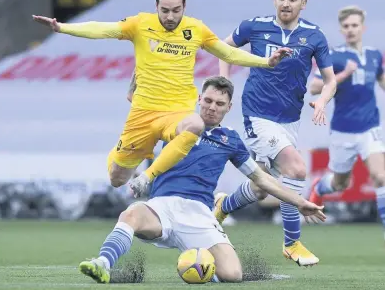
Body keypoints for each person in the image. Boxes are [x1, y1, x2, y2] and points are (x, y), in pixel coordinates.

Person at [33, 0, 291, 197]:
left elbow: (228, 53)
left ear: (184, 7)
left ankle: (149, 176)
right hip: (143, 113)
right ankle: (124, 156)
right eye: (164, 10)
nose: (170, 17)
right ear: (156, 6)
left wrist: (265, 62)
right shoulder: (140, 24)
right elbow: (103, 29)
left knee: (195, 125)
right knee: (117, 178)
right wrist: (62, 28)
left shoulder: (196, 29)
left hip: (177, 112)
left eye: (175, 10)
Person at [78, 76, 326, 284]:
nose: (211, 107)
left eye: (219, 103)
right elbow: (140, 104)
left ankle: (202, 260)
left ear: (228, 108)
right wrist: (139, 78)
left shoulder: (230, 140)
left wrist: (298, 202)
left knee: (232, 274)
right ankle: (103, 263)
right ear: (199, 99)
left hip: (199, 215)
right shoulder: (176, 122)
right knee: (130, 215)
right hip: (162, 206)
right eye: (207, 100)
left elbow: (261, 179)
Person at [217, 0, 337, 266]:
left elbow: (330, 81)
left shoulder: (314, 35)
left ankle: (222, 206)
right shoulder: (255, 26)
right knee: (296, 169)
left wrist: (322, 100)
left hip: (290, 121)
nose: (286, 3)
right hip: (257, 114)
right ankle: (292, 243)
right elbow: (223, 48)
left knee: (261, 187)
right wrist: (223, 81)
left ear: (303, 3)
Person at [308, 6, 385, 237]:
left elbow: (381, 80)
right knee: (341, 183)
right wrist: (343, 75)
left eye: (355, 25)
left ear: (363, 27)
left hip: (370, 127)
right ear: (342, 29)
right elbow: (313, 88)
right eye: (347, 26)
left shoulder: (374, 55)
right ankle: (319, 187)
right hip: (343, 131)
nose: (351, 29)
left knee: (380, 176)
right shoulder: (335, 56)